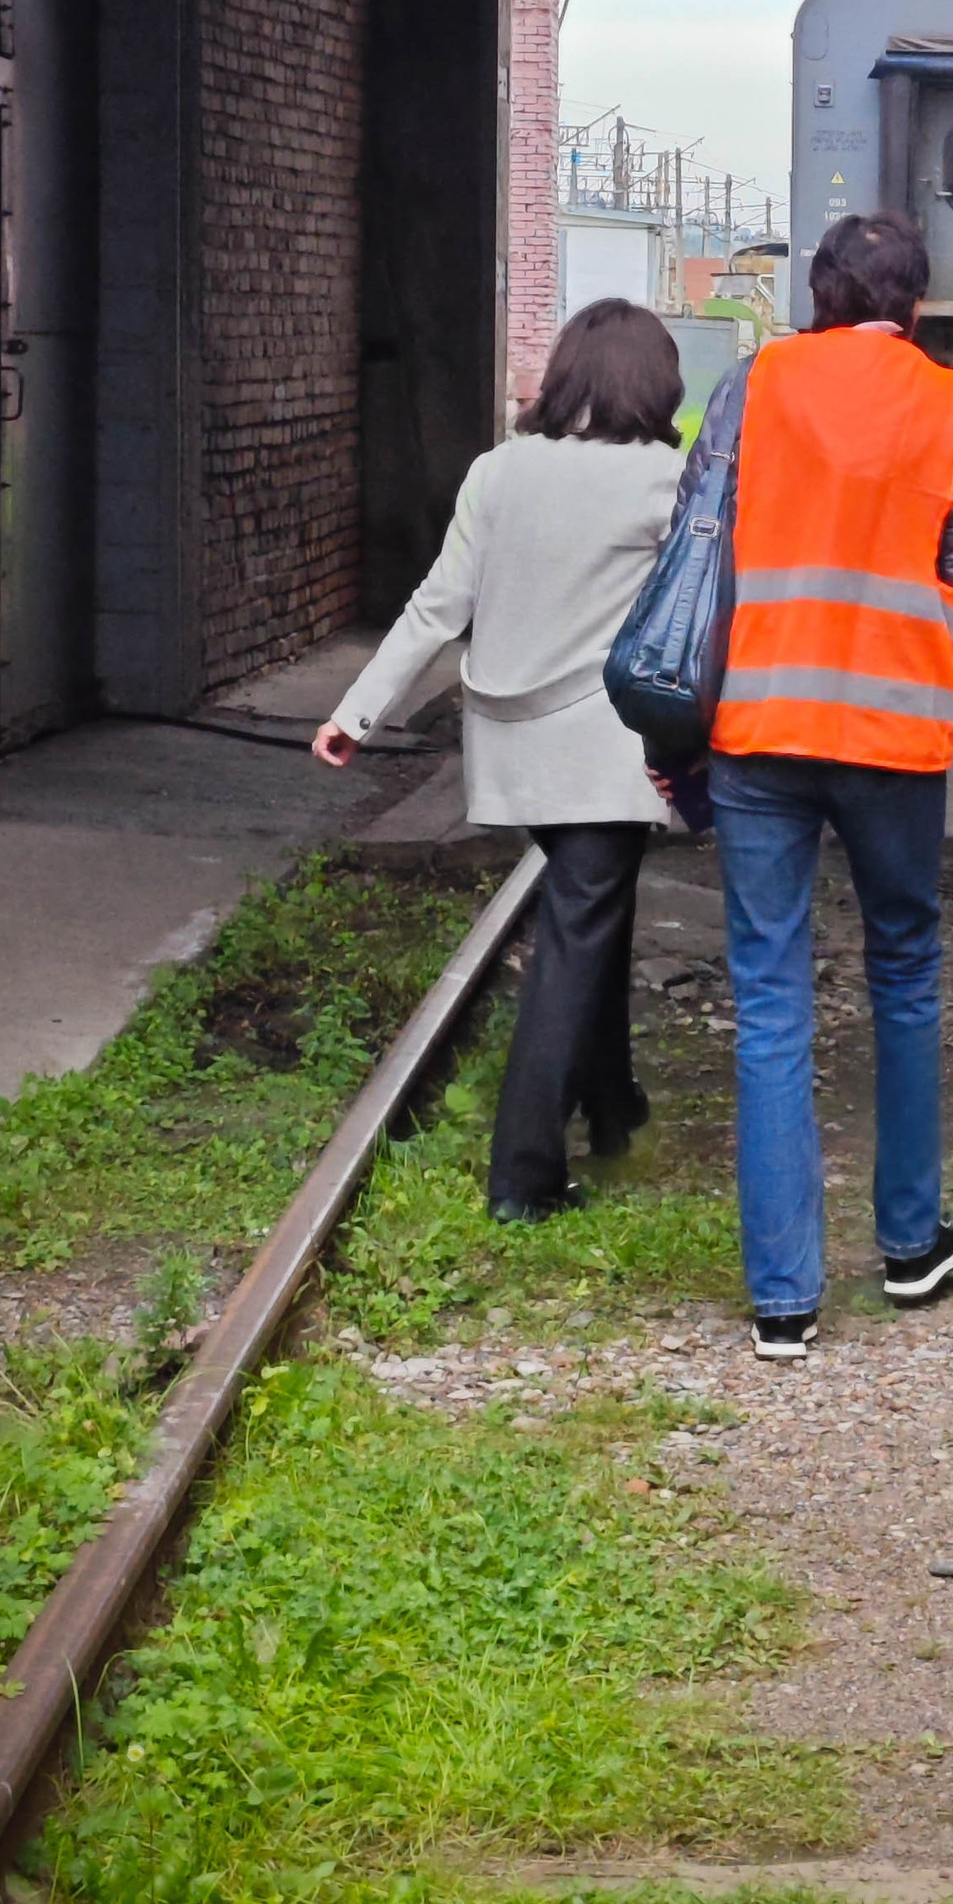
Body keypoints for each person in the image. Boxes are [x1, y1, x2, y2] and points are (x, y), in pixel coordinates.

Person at [668, 210, 953, 1359]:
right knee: (905, 972)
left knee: (769, 998)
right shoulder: (947, 404)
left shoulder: (750, 385)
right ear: (914, 306)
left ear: (816, 294)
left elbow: (694, 551)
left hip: (760, 728)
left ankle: (784, 1300)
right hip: (888, 737)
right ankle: (912, 1244)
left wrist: (676, 738)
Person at [312, 298, 683, 1220]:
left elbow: (437, 607)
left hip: (515, 748)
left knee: (594, 911)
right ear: (656, 383)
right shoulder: (664, 482)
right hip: (606, 749)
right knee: (576, 936)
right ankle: (522, 1176)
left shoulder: (497, 471)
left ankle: (613, 1107)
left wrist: (358, 712)